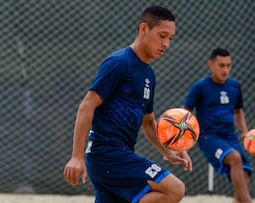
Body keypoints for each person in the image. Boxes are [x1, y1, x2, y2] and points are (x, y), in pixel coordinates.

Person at [63, 5, 192, 203]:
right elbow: (86, 106)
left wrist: (168, 151)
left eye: (170, 39)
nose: (166, 44)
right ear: (143, 29)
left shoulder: (149, 74)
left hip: (117, 156)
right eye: (162, 35)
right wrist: (76, 157)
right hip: (107, 154)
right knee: (174, 189)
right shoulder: (119, 63)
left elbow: (148, 121)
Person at [182, 48, 253, 203]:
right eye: (221, 65)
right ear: (211, 64)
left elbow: (238, 112)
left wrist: (245, 132)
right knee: (235, 158)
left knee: (245, 175)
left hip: (230, 136)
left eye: (228, 65)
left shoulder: (234, 86)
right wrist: (181, 140)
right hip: (208, 137)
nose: (225, 69)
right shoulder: (200, 87)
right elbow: (184, 112)